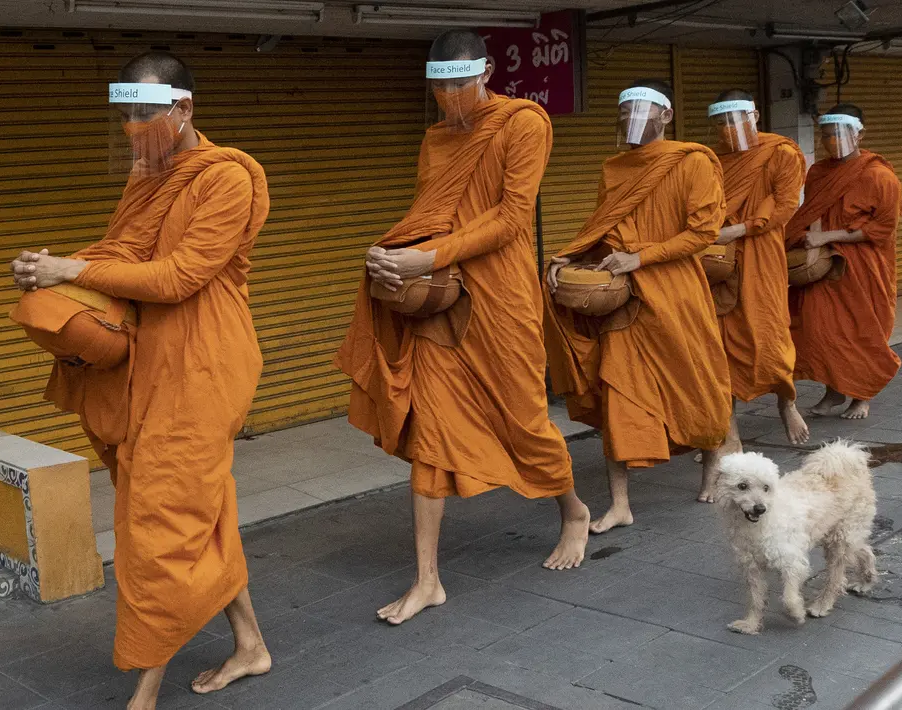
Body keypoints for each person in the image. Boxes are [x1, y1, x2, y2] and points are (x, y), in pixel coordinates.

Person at [8, 52, 272, 708]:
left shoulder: (227, 176)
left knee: (158, 519)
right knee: (192, 512)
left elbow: (180, 276)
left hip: (205, 363)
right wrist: (50, 269)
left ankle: (147, 683)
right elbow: (124, 253)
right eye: (124, 115)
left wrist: (75, 272)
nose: (132, 127)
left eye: (144, 113)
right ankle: (250, 645)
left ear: (183, 109)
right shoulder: (146, 173)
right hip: (146, 361)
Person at [335, 29, 590, 626]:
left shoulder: (523, 123)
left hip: (501, 297)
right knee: (432, 429)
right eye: (439, 86)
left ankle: (573, 510)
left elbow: (509, 218)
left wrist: (430, 256)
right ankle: (428, 579)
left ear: (486, 72)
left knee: (524, 419)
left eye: (458, 82)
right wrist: (393, 251)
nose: (449, 95)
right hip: (443, 303)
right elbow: (430, 215)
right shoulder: (435, 140)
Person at [544, 79, 731, 530]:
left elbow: (703, 232)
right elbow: (603, 228)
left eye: (642, 110)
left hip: (677, 291)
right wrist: (569, 255)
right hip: (624, 298)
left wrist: (641, 256)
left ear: (665, 116)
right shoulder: (617, 168)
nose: (632, 119)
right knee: (618, 394)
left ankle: (712, 465)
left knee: (696, 383)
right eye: (625, 111)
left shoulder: (692, 162)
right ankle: (620, 504)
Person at [706, 89, 809, 452]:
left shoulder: (779, 152)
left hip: (761, 254)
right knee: (719, 342)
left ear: (755, 117)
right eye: (720, 124)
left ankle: (787, 402)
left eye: (735, 121)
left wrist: (740, 228)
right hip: (719, 259)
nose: (728, 131)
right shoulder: (712, 160)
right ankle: (729, 434)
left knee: (769, 336)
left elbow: (785, 206)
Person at [785, 104, 902, 420]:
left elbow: (882, 228)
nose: (831, 140)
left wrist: (829, 237)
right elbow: (812, 213)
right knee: (823, 332)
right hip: (824, 265)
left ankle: (862, 396)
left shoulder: (880, 176)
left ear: (859, 133)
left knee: (863, 331)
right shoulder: (819, 172)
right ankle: (834, 392)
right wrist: (808, 242)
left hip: (864, 268)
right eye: (826, 135)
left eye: (838, 133)